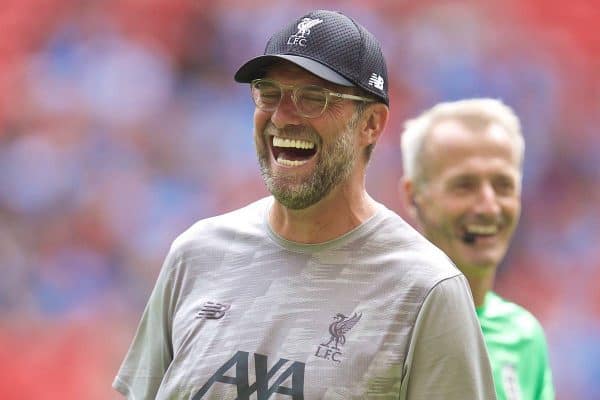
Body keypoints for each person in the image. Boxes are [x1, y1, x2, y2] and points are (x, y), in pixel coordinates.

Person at [113, 10, 495, 399]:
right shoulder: (196, 255)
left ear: (371, 124)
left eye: (314, 98)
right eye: (269, 93)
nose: (282, 115)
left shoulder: (426, 290)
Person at [400, 98, 555, 400]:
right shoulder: (386, 323)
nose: (488, 206)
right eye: (464, 185)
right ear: (414, 197)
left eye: (503, 185)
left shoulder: (524, 336)